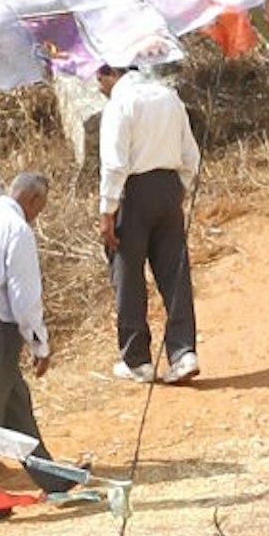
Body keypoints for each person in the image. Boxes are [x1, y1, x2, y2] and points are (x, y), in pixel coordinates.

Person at [95, 57, 201, 384]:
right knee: (174, 272)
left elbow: (114, 164)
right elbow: (190, 155)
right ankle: (184, 352)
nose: (99, 88)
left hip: (134, 191)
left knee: (127, 273)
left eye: (99, 80)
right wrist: (179, 190)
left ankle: (136, 359)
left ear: (110, 73)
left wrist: (107, 212)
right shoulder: (168, 96)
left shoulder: (120, 103)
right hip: (169, 187)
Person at [0, 151, 76, 491]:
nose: (38, 216)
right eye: (41, 208)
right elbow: (24, 298)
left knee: (14, 403)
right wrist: (40, 344)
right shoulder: (16, 229)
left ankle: (52, 478)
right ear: (34, 200)